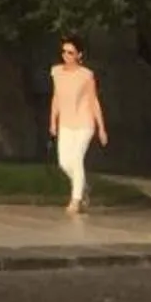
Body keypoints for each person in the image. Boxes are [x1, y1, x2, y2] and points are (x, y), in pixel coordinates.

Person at [50, 36, 107, 212]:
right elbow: (56, 97)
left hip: (84, 122)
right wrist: (53, 120)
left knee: (76, 158)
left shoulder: (86, 75)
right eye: (64, 52)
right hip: (65, 122)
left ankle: (75, 200)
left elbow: (93, 101)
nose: (66, 55)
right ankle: (82, 186)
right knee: (64, 162)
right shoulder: (56, 72)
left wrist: (101, 128)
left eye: (70, 52)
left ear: (79, 55)